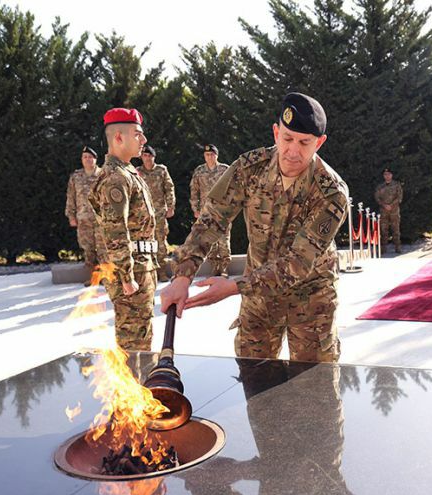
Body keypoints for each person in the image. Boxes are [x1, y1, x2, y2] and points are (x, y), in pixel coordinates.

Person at [161, 92, 349, 362]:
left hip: (311, 301)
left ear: (320, 143)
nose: (293, 151)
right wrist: (182, 276)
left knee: (315, 392)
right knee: (255, 379)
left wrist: (234, 287)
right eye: (287, 139)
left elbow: (297, 262)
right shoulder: (250, 168)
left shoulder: (331, 192)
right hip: (259, 299)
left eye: (304, 143)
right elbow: (213, 219)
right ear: (275, 132)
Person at [89, 108, 157, 351]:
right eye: (138, 134)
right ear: (119, 137)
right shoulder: (115, 178)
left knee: (142, 336)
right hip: (131, 271)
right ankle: (134, 389)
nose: (144, 140)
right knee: (134, 344)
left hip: (141, 265)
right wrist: (127, 277)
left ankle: (140, 387)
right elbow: (115, 232)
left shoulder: (128, 172)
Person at [65, 146, 105, 283]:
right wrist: (71, 216)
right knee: (88, 249)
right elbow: (71, 197)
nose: (87, 159)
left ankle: (105, 277)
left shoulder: (103, 174)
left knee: (103, 248)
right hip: (83, 219)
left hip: (102, 219)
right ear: (82, 160)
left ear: (95, 159)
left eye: (90, 157)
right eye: (85, 157)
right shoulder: (76, 177)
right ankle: (92, 278)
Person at [190, 144, 231, 277]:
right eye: (207, 155)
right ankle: (214, 267)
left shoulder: (225, 169)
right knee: (209, 239)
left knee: (224, 239)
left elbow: (233, 188)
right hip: (205, 211)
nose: (209, 157)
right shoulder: (199, 171)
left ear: (216, 155)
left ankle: (224, 267)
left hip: (222, 211)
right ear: (204, 156)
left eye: (212, 154)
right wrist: (195, 209)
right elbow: (194, 190)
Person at [137, 145, 176, 282]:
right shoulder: (137, 172)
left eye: (150, 156)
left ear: (154, 157)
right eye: (145, 155)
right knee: (145, 243)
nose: (147, 158)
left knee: (160, 243)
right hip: (143, 215)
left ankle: (162, 272)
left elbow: (169, 189)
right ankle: (149, 272)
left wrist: (170, 207)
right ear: (141, 156)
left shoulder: (161, 170)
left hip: (159, 213)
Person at [374, 167, 403, 254]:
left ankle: (398, 248)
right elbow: (377, 197)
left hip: (394, 210)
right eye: (385, 174)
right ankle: (383, 249)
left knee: (396, 230)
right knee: (383, 230)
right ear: (383, 176)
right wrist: (384, 205)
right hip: (384, 211)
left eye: (389, 174)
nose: (387, 176)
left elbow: (399, 197)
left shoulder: (397, 185)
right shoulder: (380, 187)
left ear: (392, 175)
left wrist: (391, 205)